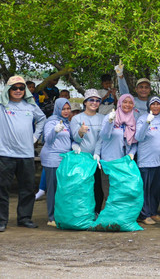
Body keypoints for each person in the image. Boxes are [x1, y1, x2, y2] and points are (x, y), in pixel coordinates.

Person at [0, 76, 46, 231]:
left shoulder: (30, 106)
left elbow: (42, 119)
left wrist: (35, 137)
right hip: (5, 154)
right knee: (2, 188)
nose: (18, 91)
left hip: (26, 154)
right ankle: (1, 220)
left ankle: (24, 218)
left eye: (21, 88)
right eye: (14, 88)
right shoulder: (2, 105)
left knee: (27, 188)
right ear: (8, 90)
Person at [70, 89, 104, 215]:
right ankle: (82, 212)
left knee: (97, 186)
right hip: (81, 158)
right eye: (91, 100)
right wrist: (80, 132)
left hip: (96, 159)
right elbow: (75, 138)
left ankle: (96, 211)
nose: (94, 103)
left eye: (97, 100)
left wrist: (97, 153)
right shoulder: (76, 118)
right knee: (82, 186)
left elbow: (102, 138)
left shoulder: (103, 118)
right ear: (85, 102)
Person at [134, 96, 160, 225]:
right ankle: (144, 214)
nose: (155, 106)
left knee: (156, 190)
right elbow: (138, 137)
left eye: (157, 104)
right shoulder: (142, 119)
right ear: (149, 106)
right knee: (145, 189)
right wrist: (147, 123)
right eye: (153, 104)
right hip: (145, 161)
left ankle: (153, 212)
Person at [41, 98, 73, 226]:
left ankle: (60, 215)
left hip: (64, 159)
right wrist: (55, 131)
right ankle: (51, 217)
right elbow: (48, 140)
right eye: (63, 109)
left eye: (68, 109)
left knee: (62, 189)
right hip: (52, 159)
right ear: (58, 109)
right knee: (53, 189)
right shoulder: (51, 122)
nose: (66, 111)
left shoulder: (67, 122)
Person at [100, 94, 138, 200]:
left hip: (124, 163)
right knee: (110, 194)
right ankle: (110, 216)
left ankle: (121, 216)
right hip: (109, 162)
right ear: (120, 103)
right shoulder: (110, 117)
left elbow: (135, 142)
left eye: (130, 102)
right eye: (125, 102)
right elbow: (104, 136)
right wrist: (110, 122)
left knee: (122, 194)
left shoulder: (133, 120)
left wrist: (132, 153)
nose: (127, 105)